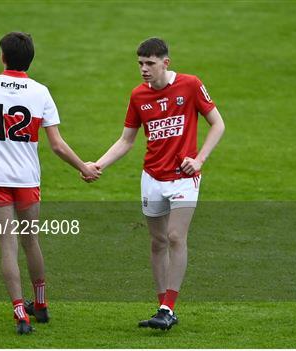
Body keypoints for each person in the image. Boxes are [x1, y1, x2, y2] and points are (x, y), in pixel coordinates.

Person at [0, 32, 101, 334]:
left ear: (3, 56)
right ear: (30, 59)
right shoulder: (40, 92)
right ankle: (40, 303)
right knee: (31, 240)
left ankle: (19, 312)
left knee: (7, 243)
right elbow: (56, 145)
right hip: (27, 178)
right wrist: (84, 167)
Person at [88, 37, 225, 330]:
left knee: (176, 237)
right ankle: (162, 307)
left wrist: (199, 159)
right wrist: (99, 164)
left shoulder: (189, 85)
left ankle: (168, 307)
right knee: (158, 241)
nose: (144, 69)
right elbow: (126, 140)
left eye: (150, 63)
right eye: (140, 63)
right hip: (151, 178)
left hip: (184, 178)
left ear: (166, 63)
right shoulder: (138, 96)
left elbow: (218, 124)